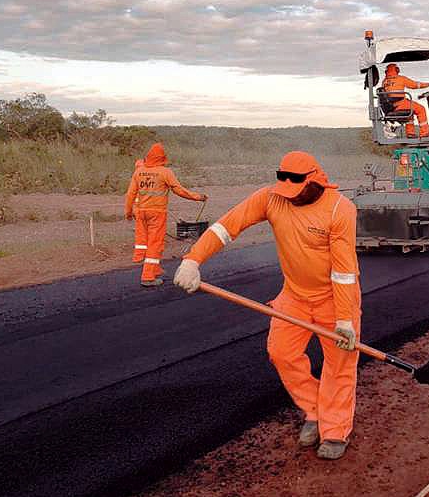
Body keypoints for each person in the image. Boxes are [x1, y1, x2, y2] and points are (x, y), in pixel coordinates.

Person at [174, 151, 361, 460]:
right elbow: (226, 226)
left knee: (339, 365)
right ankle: (315, 410)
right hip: (294, 296)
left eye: (297, 193)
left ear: (316, 183)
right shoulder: (271, 198)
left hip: (335, 299)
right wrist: (193, 260)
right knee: (281, 353)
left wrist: (344, 320)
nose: (291, 198)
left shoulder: (340, 210)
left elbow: (343, 271)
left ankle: (335, 431)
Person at [124, 143, 206, 287]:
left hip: (141, 212)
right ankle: (148, 277)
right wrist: (197, 197)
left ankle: (154, 269)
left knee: (147, 241)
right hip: (157, 213)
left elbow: (130, 194)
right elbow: (179, 190)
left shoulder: (139, 172)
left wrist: (128, 212)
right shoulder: (165, 172)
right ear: (162, 158)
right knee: (155, 244)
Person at [381, 63, 429, 137]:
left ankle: (410, 133)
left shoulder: (384, 81)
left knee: (410, 113)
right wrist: (427, 84)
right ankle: (424, 133)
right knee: (421, 109)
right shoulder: (401, 78)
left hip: (391, 107)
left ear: (387, 71)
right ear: (396, 70)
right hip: (401, 103)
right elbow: (415, 85)